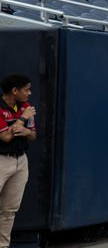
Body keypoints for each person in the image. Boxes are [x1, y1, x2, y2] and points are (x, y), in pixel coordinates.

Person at [0, 74, 36, 248]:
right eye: (26, 89)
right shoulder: (1, 108)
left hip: (21, 161)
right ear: (14, 91)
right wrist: (22, 119)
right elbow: (6, 137)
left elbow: (33, 135)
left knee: (9, 210)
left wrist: (27, 132)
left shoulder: (26, 106)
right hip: (2, 161)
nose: (29, 93)